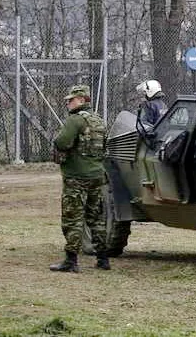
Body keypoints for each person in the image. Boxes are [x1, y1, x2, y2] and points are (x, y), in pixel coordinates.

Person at [50, 85, 110, 273]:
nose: (68, 102)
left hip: (76, 177)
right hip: (97, 175)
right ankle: (103, 258)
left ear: (82, 100)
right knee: (97, 218)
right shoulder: (100, 121)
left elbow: (62, 142)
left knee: (72, 218)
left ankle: (71, 260)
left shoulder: (75, 120)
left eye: (72, 99)